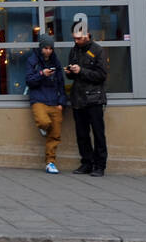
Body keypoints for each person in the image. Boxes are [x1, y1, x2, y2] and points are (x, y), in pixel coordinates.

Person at [66, 26, 109, 177]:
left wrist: (81, 71)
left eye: (79, 38)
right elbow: (73, 76)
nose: (76, 41)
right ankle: (86, 163)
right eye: (74, 38)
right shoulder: (74, 50)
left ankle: (100, 166)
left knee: (98, 134)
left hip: (94, 99)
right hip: (78, 98)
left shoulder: (98, 50)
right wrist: (70, 72)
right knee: (82, 134)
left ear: (87, 35)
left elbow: (101, 75)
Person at [25, 35, 67, 174]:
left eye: (50, 48)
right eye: (45, 48)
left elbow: (61, 83)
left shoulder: (56, 61)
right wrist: (42, 74)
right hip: (39, 99)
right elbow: (29, 81)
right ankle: (43, 128)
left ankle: (50, 162)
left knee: (55, 135)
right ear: (41, 47)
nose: (48, 51)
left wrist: (62, 102)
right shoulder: (33, 60)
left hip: (55, 101)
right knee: (44, 122)